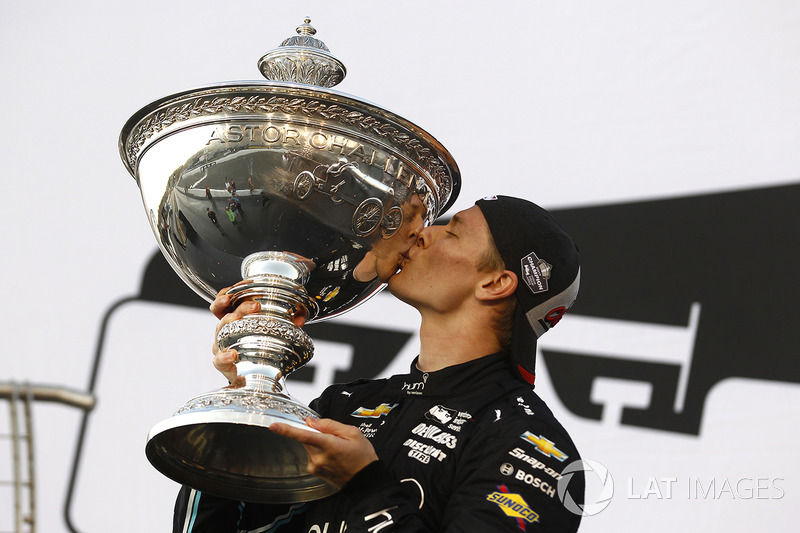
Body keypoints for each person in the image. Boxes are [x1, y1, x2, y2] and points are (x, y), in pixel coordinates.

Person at [173, 196, 584, 532]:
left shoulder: (532, 445)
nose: (423, 233)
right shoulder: (347, 405)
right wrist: (242, 403)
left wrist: (364, 485)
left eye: (452, 230)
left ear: (495, 283)